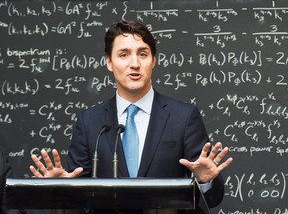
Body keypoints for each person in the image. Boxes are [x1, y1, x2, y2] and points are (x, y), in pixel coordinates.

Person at [30, 20, 233, 213]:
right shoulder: (89, 122)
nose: (134, 63)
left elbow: (213, 200)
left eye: (143, 54)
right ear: (109, 62)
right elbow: (79, 199)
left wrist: (206, 182)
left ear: (153, 60)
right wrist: (60, 189)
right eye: (124, 54)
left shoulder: (184, 117)